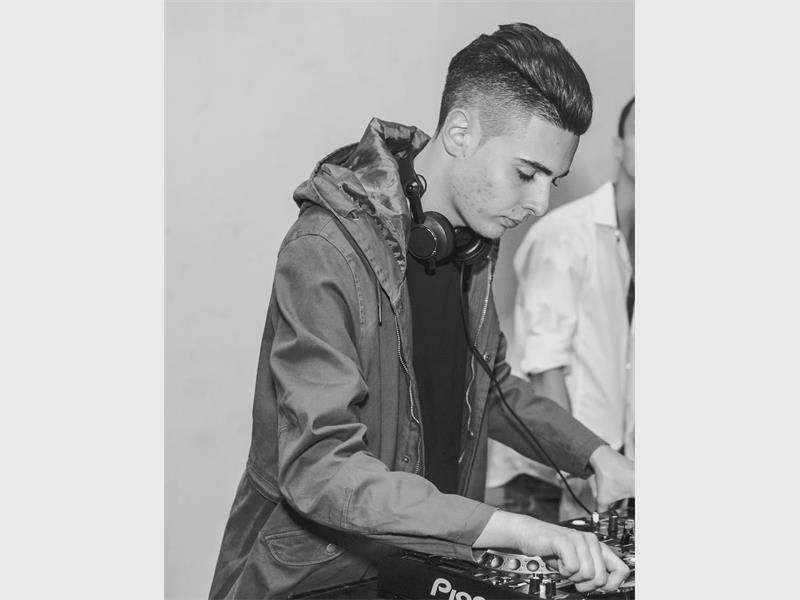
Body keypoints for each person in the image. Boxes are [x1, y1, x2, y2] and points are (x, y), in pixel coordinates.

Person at [209, 24, 635, 600]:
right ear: (460, 132)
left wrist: (596, 456)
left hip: (426, 566)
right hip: (318, 579)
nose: (539, 203)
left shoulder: (472, 244)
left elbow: (491, 388)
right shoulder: (324, 248)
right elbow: (319, 467)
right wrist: (514, 529)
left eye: (552, 182)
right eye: (526, 173)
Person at [487, 98, 635, 522]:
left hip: (602, 467)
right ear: (618, 147)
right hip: (547, 476)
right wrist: (575, 466)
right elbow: (545, 365)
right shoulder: (564, 233)